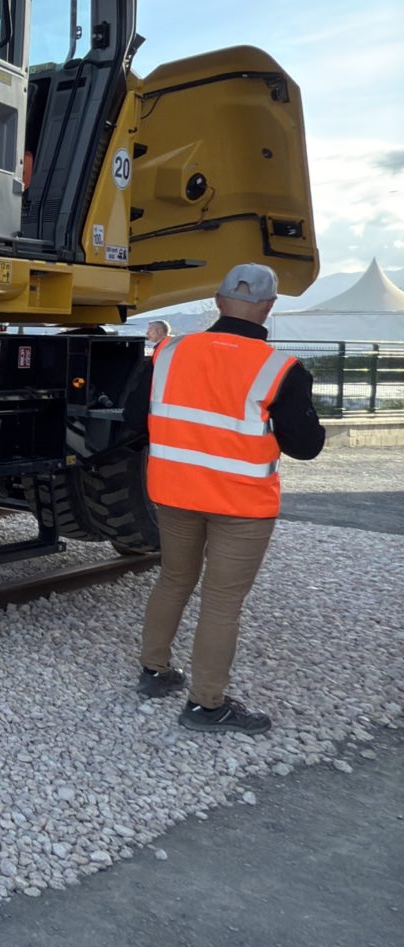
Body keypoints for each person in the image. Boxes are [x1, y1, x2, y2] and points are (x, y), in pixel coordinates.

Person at [127, 261, 325, 732]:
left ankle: (154, 672)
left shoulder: (169, 354)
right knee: (222, 601)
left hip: (174, 494)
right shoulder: (281, 369)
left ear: (218, 301)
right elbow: (306, 446)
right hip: (242, 505)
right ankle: (206, 704)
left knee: (174, 579)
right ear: (268, 306)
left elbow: (134, 422)